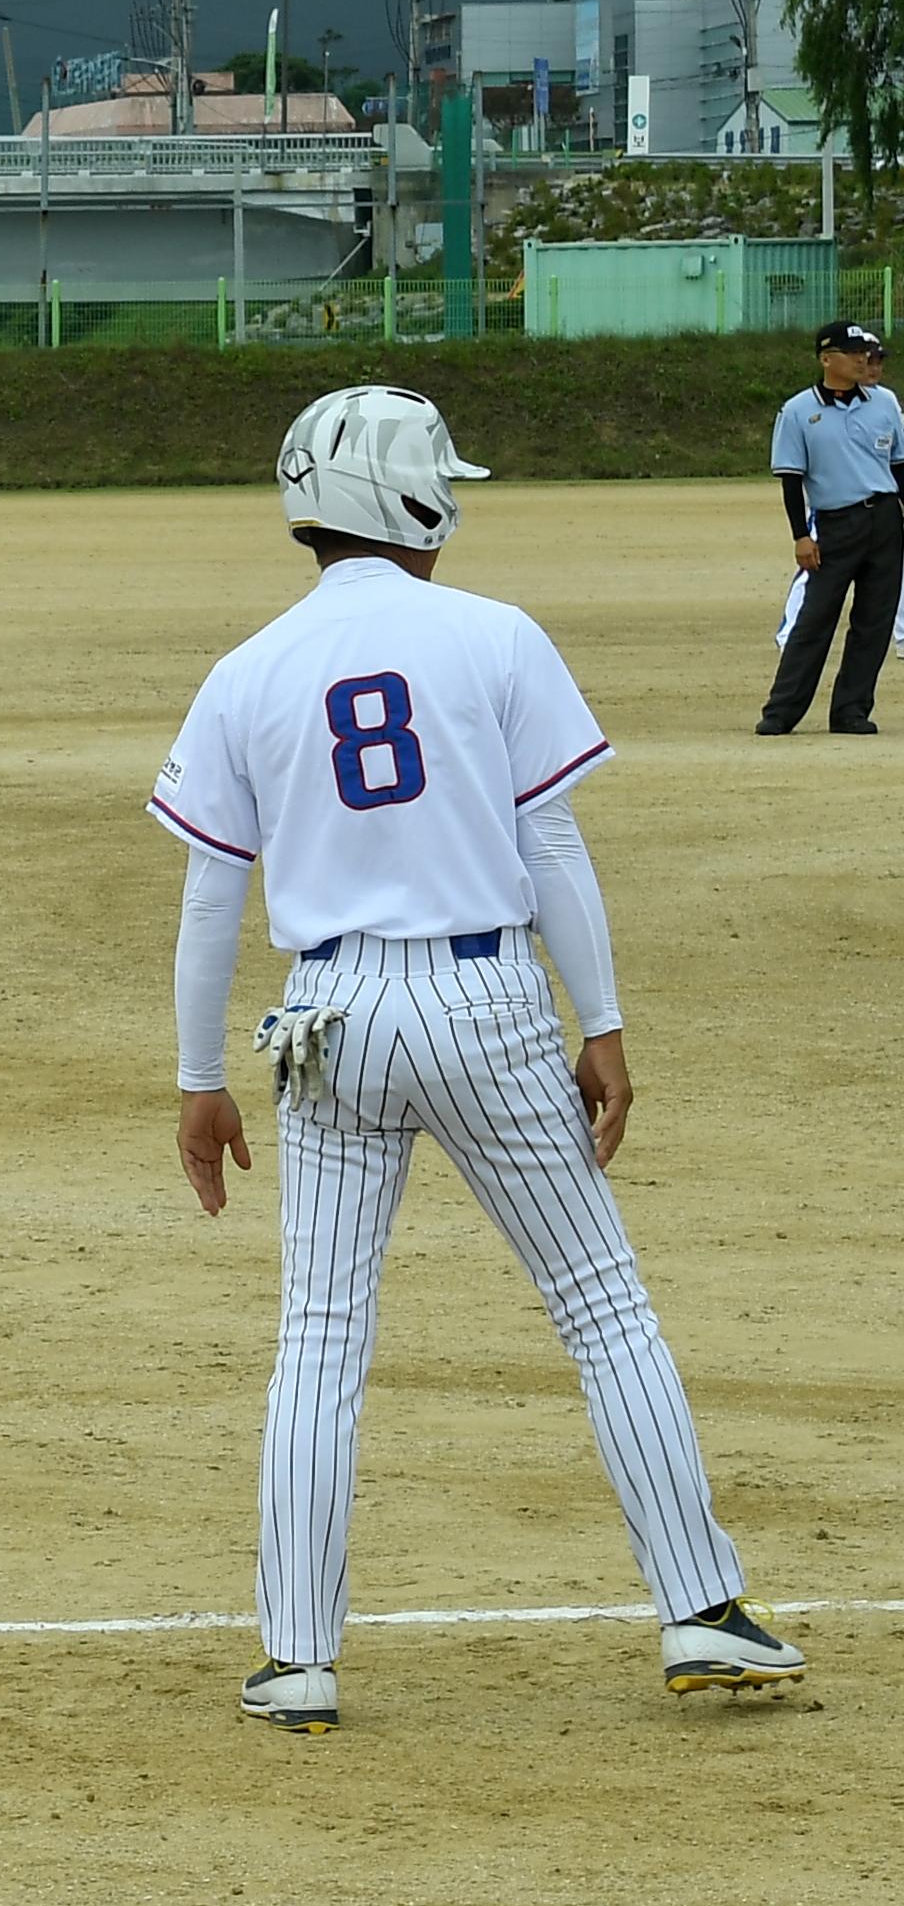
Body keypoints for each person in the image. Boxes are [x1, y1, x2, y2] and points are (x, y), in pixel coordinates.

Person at [154, 384, 800, 1732]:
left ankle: (296, 1655)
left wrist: (197, 1077)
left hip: (325, 1016)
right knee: (604, 1308)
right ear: (418, 502)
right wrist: (603, 1019)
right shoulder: (493, 636)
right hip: (484, 997)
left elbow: (212, 895)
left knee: (320, 1339)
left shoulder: (248, 669)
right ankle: (700, 1610)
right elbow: (550, 844)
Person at [758, 320, 898, 735]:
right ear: (825, 358)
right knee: (816, 618)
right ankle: (781, 711)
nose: (862, 360)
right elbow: (791, 478)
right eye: (852, 353)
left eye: (865, 353)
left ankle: (851, 711)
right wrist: (801, 535)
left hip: (885, 519)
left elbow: (900, 465)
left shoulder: (884, 402)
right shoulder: (799, 410)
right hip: (837, 522)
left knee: (874, 621)